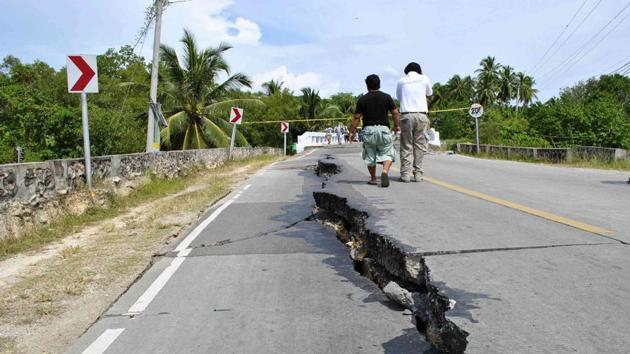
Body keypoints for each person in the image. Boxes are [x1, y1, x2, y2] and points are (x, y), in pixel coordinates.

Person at [349, 74, 400, 187]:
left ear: (367, 85)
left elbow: (357, 117)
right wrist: (396, 126)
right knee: (387, 152)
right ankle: (385, 171)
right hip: (383, 129)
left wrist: (352, 132)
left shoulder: (362, 99)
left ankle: (373, 179)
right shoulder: (387, 97)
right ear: (379, 84)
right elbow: (395, 113)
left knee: (370, 155)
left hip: (369, 130)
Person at [396, 62, 432, 182]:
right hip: (421, 115)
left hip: (406, 115)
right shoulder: (424, 78)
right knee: (419, 145)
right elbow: (429, 93)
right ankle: (418, 174)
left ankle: (405, 175)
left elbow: (399, 97)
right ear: (419, 70)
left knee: (406, 145)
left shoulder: (401, 81)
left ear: (406, 71)